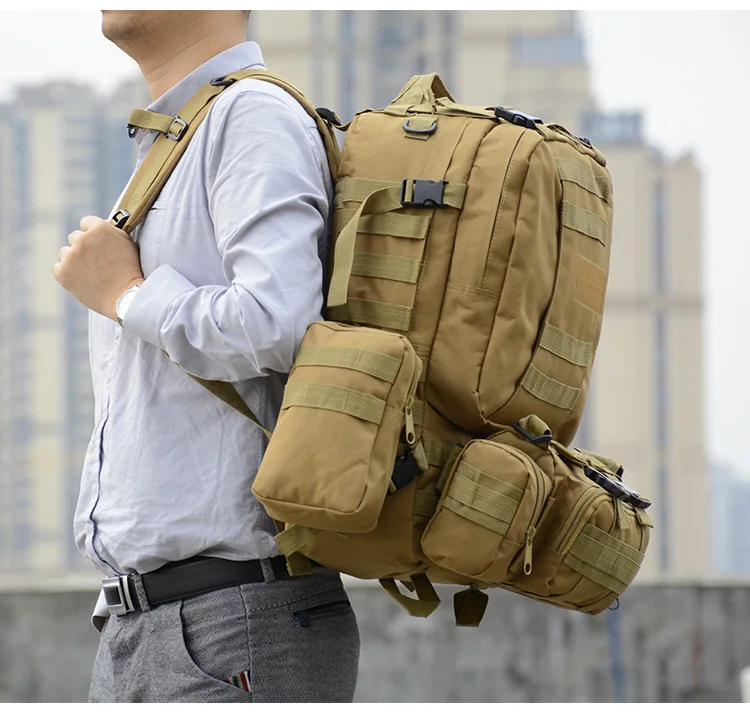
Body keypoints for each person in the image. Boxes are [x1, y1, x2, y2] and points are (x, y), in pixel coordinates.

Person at [52, 10, 360, 703]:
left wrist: (127, 294)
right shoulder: (183, 135)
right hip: (154, 622)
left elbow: (276, 323)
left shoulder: (251, 116)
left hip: (233, 620)